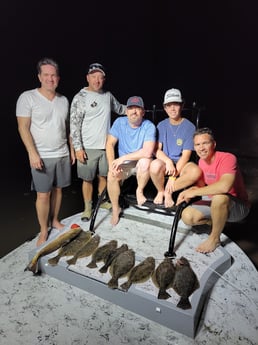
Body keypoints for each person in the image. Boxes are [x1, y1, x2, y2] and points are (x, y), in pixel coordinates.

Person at [16, 57, 75, 247]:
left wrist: (72, 150)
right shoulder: (27, 97)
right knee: (43, 195)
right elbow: (23, 127)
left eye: (54, 76)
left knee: (58, 190)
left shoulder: (64, 100)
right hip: (41, 155)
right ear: (40, 77)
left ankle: (55, 220)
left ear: (58, 78)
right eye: (47, 75)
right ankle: (43, 230)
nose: (51, 79)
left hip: (62, 153)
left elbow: (67, 129)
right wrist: (32, 154)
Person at [176, 127, 250, 253]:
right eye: (197, 144)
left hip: (237, 206)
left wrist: (193, 192)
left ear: (214, 144)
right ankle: (217, 221)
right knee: (187, 217)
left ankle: (214, 238)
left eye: (205, 143)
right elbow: (201, 187)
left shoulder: (228, 158)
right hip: (214, 201)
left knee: (220, 197)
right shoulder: (201, 162)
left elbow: (224, 187)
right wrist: (187, 192)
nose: (201, 148)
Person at [70, 63, 126, 222]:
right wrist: (78, 148)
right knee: (87, 179)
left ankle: (102, 202)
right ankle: (87, 207)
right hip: (87, 147)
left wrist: (135, 108)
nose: (97, 80)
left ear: (104, 79)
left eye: (100, 77)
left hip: (106, 146)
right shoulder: (80, 97)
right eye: (93, 77)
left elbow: (120, 109)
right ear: (88, 78)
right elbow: (74, 124)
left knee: (103, 176)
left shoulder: (108, 95)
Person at [106, 96, 156, 226]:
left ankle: (139, 190)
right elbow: (110, 144)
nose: (134, 111)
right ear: (126, 111)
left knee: (145, 161)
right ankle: (116, 209)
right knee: (111, 175)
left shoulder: (149, 126)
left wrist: (122, 158)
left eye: (137, 108)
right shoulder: (119, 122)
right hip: (126, 165)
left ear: (143, 112)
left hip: (140, 163)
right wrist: (112, 164)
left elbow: (147, 152)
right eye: (131, 108)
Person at [150, 88, 202, 208]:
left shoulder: (189, 127)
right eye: (169, 105)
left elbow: (186, 156)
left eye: (176, 104)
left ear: (182, 105)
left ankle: (169, 191)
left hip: (181, 163)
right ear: (165, 108)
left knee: (196, 171)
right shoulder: (161, 125)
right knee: (154, 165)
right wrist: (168, 161)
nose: (172, 109)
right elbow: (156, 150)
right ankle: (161, 190)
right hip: (166, 161)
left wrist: (173, 177)